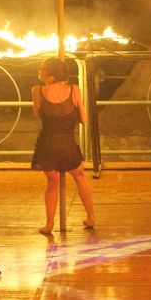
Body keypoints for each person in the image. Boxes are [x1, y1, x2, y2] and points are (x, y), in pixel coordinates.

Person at [30, 56, 97, 234]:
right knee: (79, 176)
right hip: (67, 143)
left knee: (53, 182)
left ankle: (50, 223)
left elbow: (38, 115)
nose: (39, 70)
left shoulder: (37, 91)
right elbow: (83, 118)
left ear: (50, 76)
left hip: (47, 143)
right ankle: (91, 216)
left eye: (42, 68)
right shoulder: (74, 90)